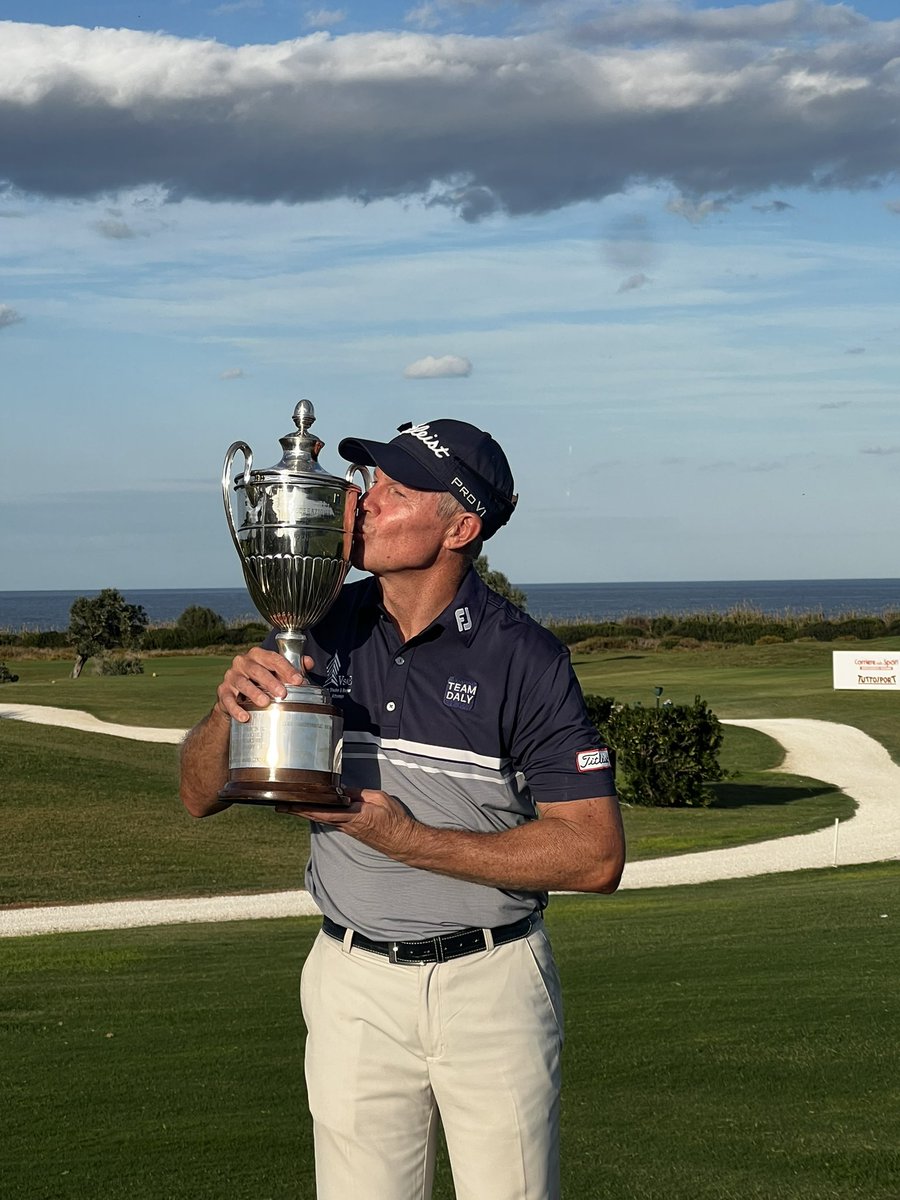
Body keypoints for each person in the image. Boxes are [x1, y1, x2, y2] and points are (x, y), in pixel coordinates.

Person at [180, 417, 626, 1200]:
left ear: (460, 524)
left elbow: (594, 855)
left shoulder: (525, 658)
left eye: (394, 487)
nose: (364, 501)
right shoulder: (319, 624)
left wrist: (407, 839)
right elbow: (196, 795)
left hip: (490, 985)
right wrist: (226, 713)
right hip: (351, 986)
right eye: (369, 481)